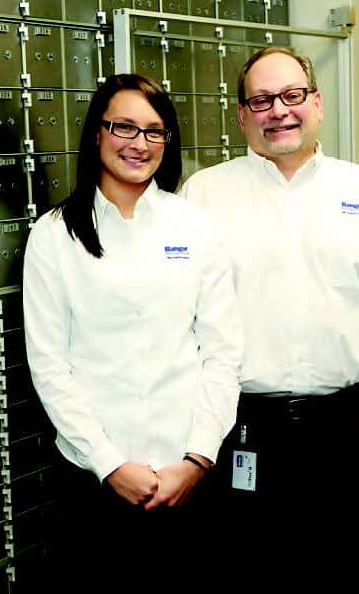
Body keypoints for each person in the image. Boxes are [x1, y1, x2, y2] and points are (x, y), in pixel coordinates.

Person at [180, 46, 359, 592]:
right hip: (243, 432)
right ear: (242, 115)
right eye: (262, 100)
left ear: (317, 103)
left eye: (293, 95)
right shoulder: (203, 196)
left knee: (353, 578)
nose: (280, 110)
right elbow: (180, 318)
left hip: (353, 434)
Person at [21, 73, 242, 590]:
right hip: (94, 485)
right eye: (124, 127)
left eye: (154, 131)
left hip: (187, 479)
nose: (139, 144)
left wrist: (197, 458)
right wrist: (110, 464)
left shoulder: (195, 226)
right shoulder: (55, 236)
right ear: (97, 134)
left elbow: (222, 353)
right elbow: (50, 365)